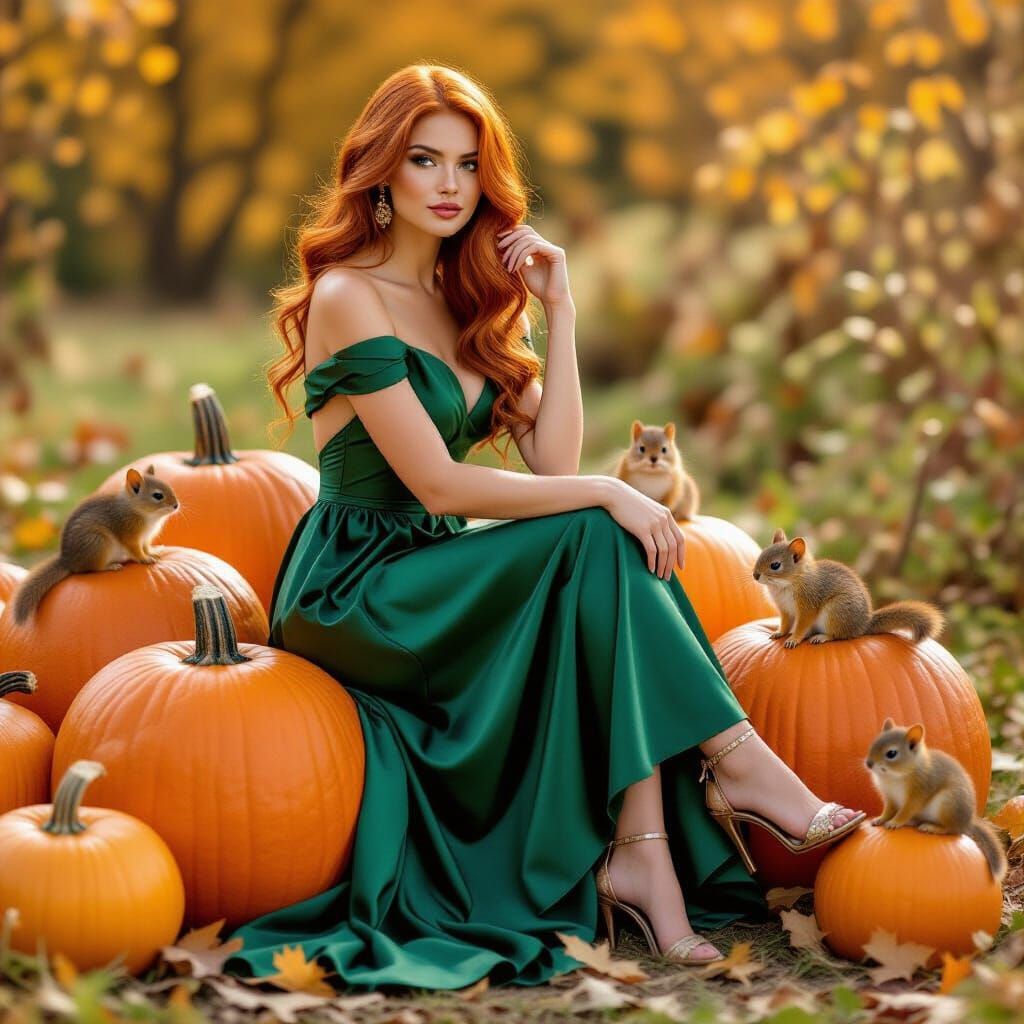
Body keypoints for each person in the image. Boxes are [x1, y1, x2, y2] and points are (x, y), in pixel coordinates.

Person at [223, 62, 865, 992]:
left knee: (597, 539)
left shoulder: (464, 299)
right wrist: (613, 493)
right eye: (425, 161)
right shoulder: (348, 297)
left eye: (469, 165)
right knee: (599, 526)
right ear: (380, 175)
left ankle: (644, 853)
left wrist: (559, 310)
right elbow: (442, 488)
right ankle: (734, 765)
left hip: (437, 575)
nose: (449, 185)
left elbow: (555, 463)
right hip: (360, 587)